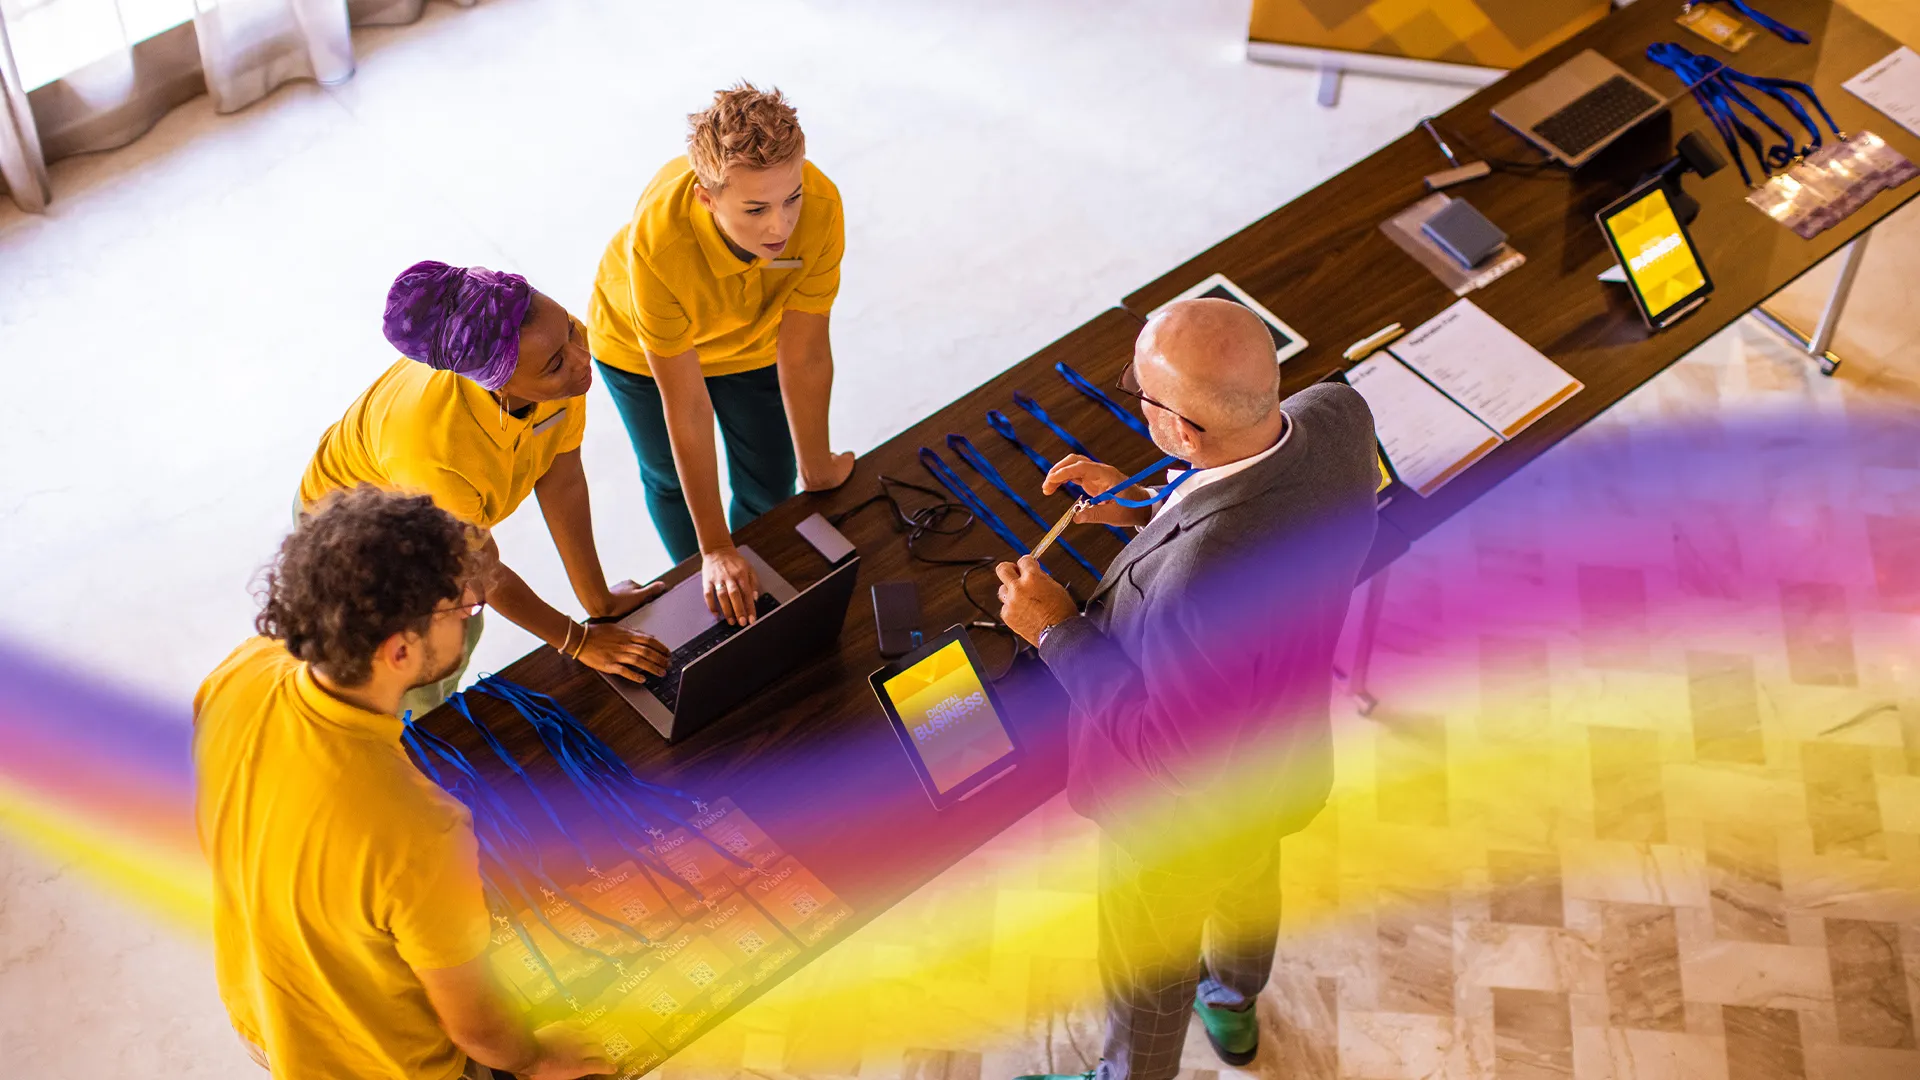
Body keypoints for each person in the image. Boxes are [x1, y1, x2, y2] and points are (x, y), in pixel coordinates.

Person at [993, 299, 1380, 1079]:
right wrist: (1148, 502)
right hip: (1279, 764)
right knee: (1248, 882)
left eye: (1140, 390)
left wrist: (1052, 629)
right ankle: (1234, 1002)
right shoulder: (1338, 411)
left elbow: (1162, 749)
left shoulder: (1203, 578)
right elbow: (1259, 493)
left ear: (1182, 429)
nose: (1134, 397)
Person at [194, 486, 609, 1080]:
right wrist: (539, 1057)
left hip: (261, 1011)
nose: (472, 607)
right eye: (460, 608)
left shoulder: (240, 671)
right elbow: (476, 1029)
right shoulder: (419, 831)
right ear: (398, 651)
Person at [301, 260, 670, 717]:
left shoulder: (555, 361)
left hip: (425, 503)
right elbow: (483, 570)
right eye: (557, 363)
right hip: (357, 532)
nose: (582, 358)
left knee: (460, 630)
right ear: (498, 386)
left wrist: (599, 602)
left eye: (571, 331)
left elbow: (563, 476)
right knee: (417, 663)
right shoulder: (435, 451)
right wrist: (578, 642)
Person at [589, 82, 855, 627]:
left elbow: (804, 353)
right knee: (667, 474)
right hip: (638, 351)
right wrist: (713, 548)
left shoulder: (822, 208)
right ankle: (701, 584)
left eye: (791, 198)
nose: (780, 226)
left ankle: (754, 570)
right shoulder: (658, 241)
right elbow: (686, 405)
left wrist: (818, 468)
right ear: (706, 198)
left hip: (748, 337)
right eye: (755, 209)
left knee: (772, 473)